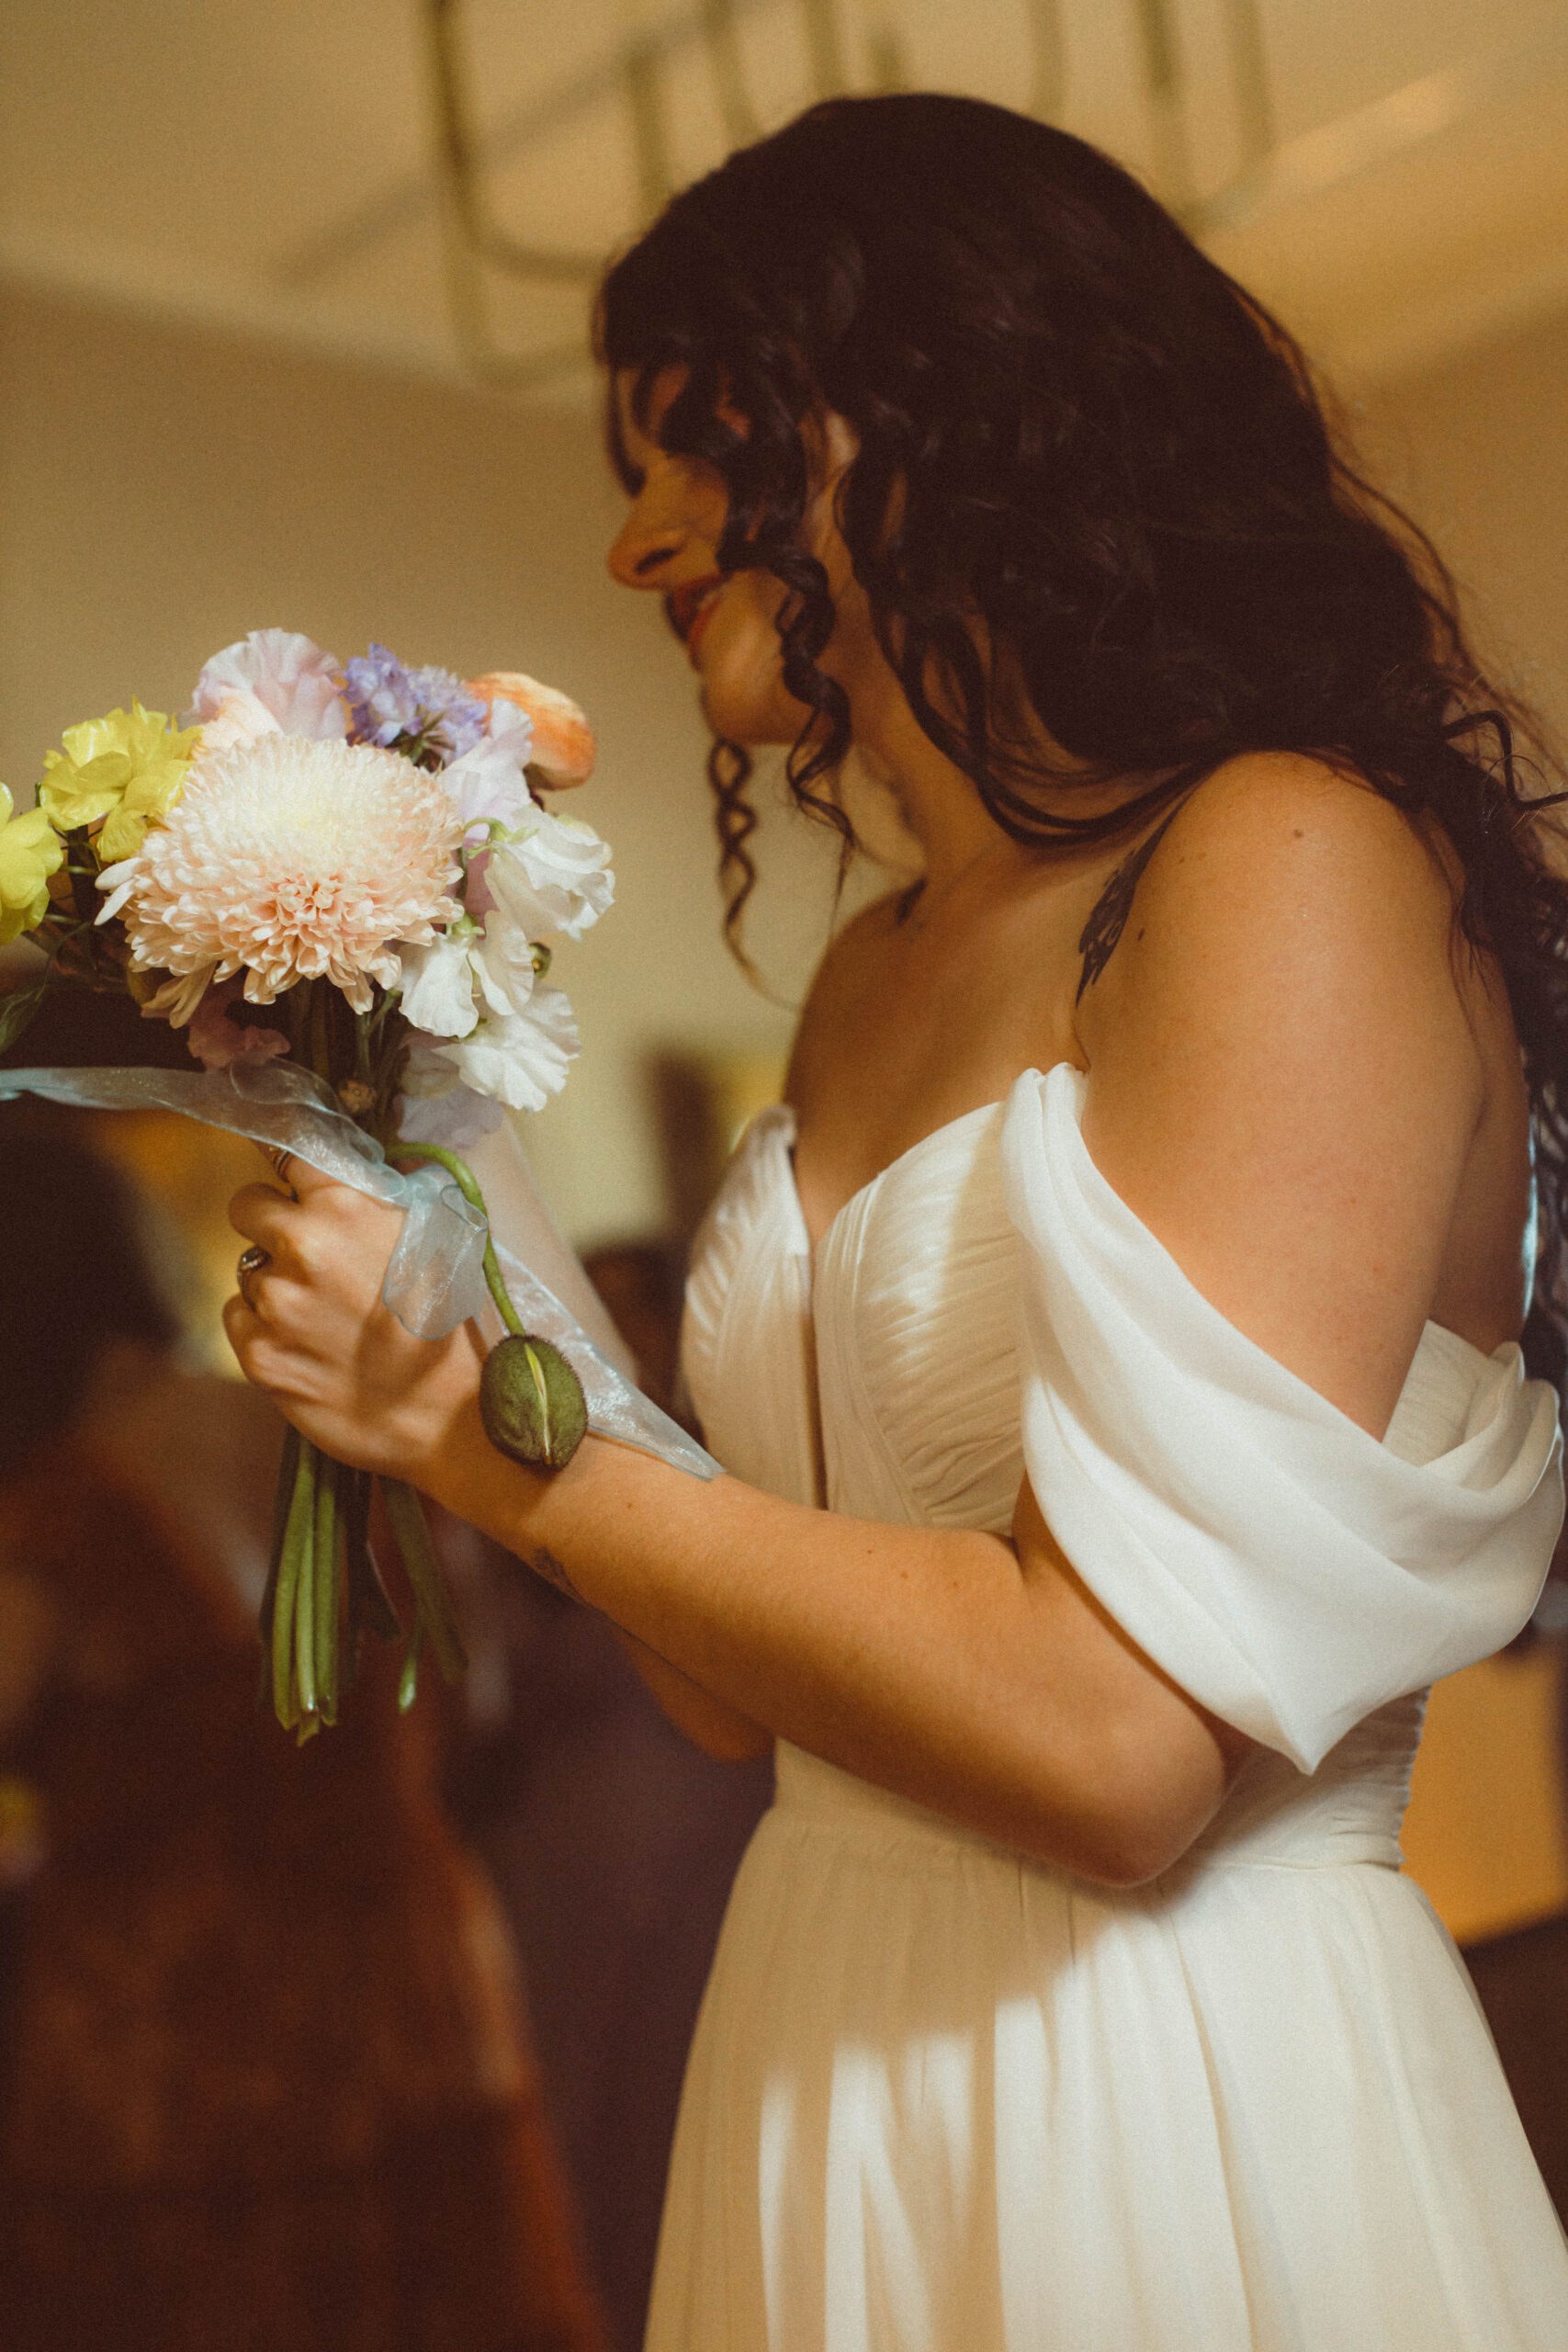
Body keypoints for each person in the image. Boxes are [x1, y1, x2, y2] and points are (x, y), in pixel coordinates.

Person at [225, 94, 1568, 2351]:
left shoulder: (1279, 860)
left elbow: (1111, 1748)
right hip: (813, 2052)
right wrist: (430, 1106)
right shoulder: (869, 966)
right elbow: (728, 1682)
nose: (644, 546)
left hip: (1166, 2092)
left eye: (699, 447)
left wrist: (485, 1444)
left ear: (951, 407)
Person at [0, 1122, 604, 2352]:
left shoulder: (51, 1519)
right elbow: (480, 1693)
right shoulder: (351, 1432)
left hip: (165, 2047)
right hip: (412, 1996)